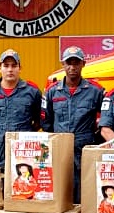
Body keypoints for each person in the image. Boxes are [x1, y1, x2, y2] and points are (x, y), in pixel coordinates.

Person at [42, 46, 105, 203]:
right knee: (59, 187)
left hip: (85, 147)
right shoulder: (52, 92)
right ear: (63, 64)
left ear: (83, 64)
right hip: (60, 147)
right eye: (68, 63)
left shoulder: (95, 91)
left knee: (85, 189)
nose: (72, 67)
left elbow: (106, 117)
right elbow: (46, 121)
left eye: (76, 63)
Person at [0, 49, 42, 169]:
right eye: (6, 66)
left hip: (23, 152)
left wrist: (23, 133)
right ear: (0, 68)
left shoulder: (32, 92)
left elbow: (38, 121)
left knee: (24, 184)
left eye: (14, 65)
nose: (10, 69)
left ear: (20, 68)